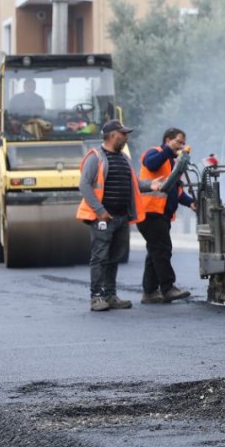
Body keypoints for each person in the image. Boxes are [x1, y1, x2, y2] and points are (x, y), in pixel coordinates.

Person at [76, 120, 167, 312]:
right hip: (103, 218)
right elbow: (84, 185)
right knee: (100, 257)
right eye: (123, 134)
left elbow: (134, 183)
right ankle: (97, 297)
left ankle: (110, 295)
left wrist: (150, 185)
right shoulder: (96, 157)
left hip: (121, 217)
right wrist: (100, 211)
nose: (126, 137)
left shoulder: (124, 158)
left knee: (114, 257)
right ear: (112, 136)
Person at [138, 127, 194, 304]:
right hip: (150, 212)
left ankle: (150, 292)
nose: (181, 146)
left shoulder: (172, 162)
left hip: (161, 214)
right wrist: (170, 151)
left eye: (183, 143)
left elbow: (176, 191)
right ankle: (168, 288)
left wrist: (191, 202)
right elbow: (150, 163)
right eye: (178, 142)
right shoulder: (155, 153)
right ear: (168, 140)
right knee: (162, 250)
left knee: (154, 252)